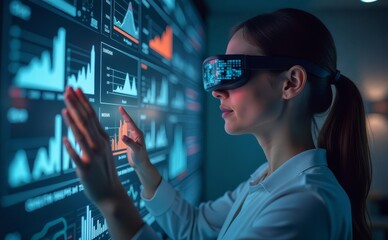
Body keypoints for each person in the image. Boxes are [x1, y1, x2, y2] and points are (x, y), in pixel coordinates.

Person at [62, 8, 372, 240]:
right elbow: (196, 227)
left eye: (231, 71)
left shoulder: (306, 205)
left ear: (290, 83)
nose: (216, 90)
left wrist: (111, 198)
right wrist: (143, 167)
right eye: (215, 73)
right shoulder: (270, 179)